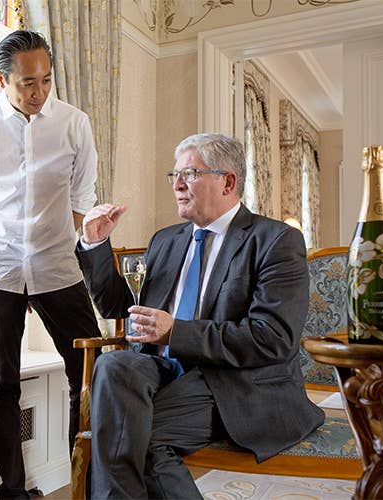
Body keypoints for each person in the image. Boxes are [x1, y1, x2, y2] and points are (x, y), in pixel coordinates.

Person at [76, 133, 324, 499]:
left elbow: (272, 337)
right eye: (174, 175)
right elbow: (119, 307)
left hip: (231, 381)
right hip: (162, 372)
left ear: (228, 182)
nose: (177, 184)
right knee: (113, 367)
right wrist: (96, 244)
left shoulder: (275, 241)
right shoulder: (166, 240)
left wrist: (176, 331)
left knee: (132, 435)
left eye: (190, 174)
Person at [0, 30, 101, 499]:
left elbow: (82, 195)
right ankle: (12, 492)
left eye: (46, 81)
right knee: (2, 383)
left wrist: (59, 238)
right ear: (2, 80)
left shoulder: (74, 123)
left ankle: (91, 480)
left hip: (58, 264)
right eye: (27, 84)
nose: (39, 93)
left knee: (89, 372)